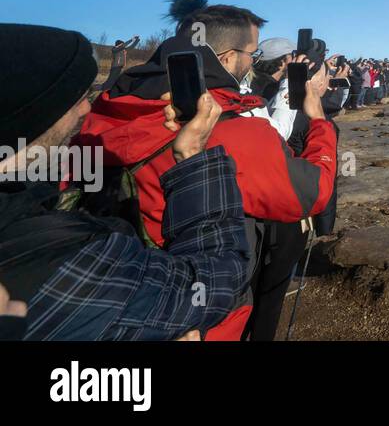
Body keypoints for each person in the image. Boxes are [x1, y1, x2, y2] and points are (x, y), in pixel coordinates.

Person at [75, 0, 337, 341]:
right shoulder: (231, 130)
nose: (253, 61)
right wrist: (319, 121)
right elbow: (312, 192)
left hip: (107, 301)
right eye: (250, 53)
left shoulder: (106, 110)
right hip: (198, 313)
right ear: (227, 58)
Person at [0, 23, 251, 340]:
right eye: (77, 95)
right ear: (35, 114)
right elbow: (217, 281)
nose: (89, 107)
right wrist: (193, 156)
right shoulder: (73, 261)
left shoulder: (28, 196)